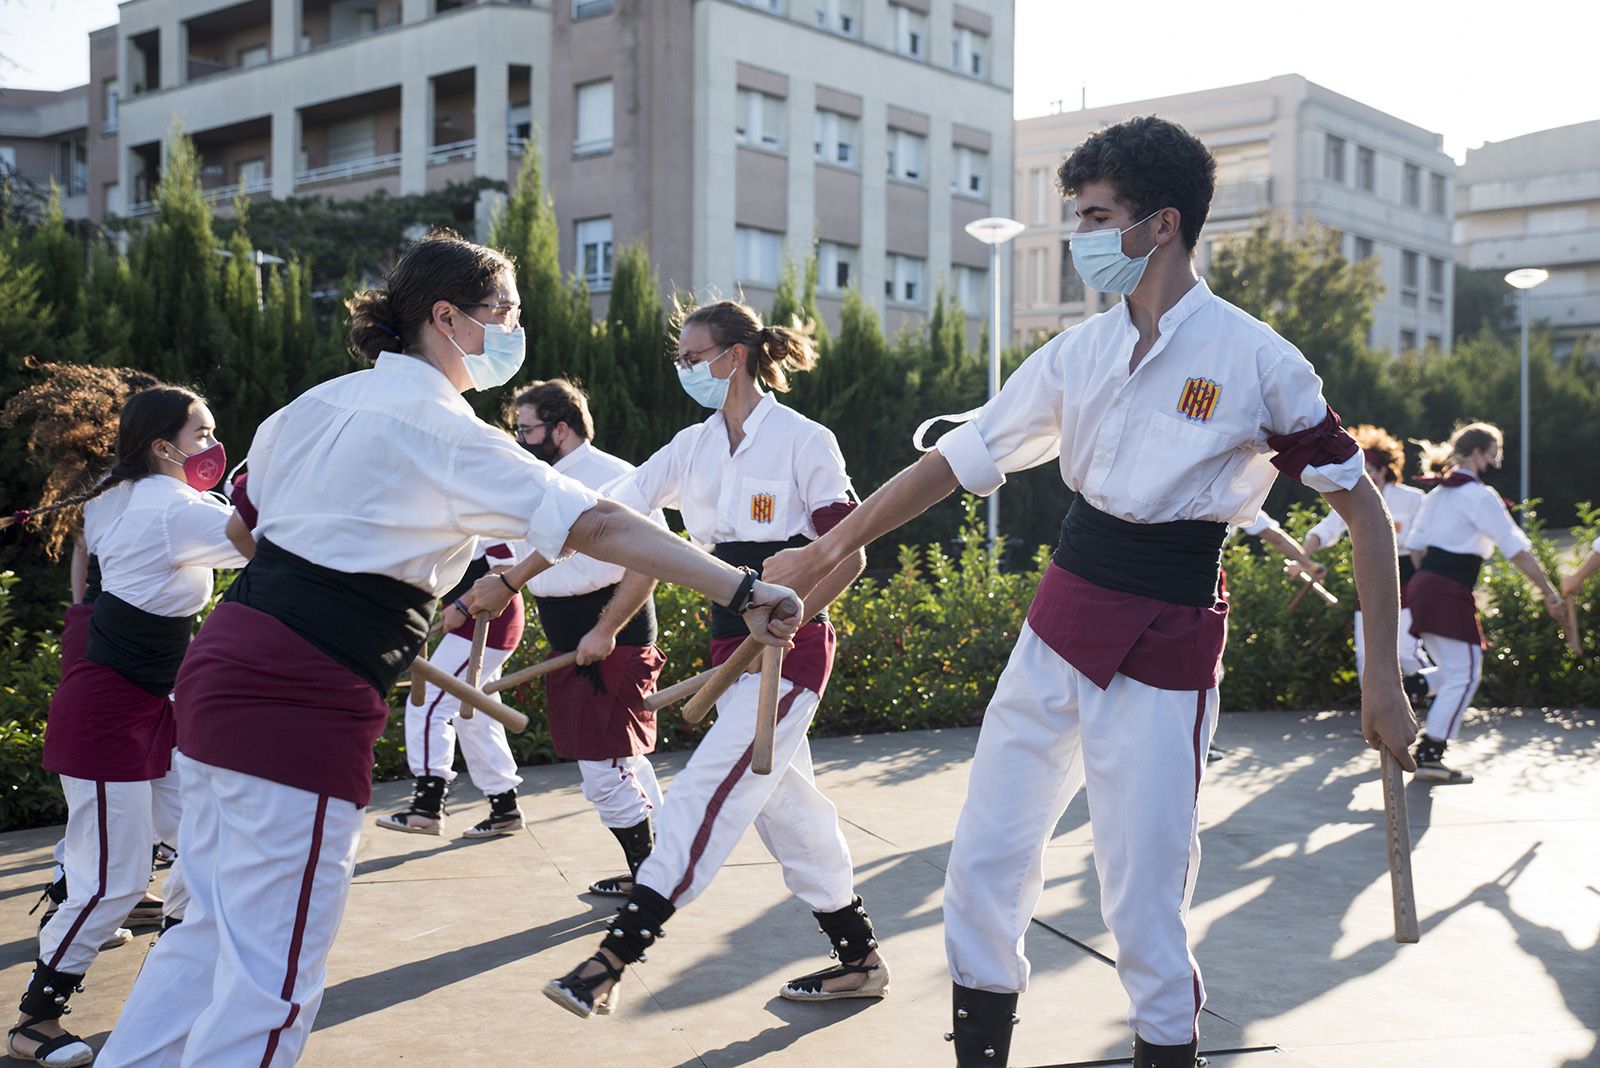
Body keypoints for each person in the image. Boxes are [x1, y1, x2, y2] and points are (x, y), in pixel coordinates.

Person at [763, 116, 1417, 1068]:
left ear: (1161, 224)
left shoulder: (1258, 360)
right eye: (1076, 214)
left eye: (1096, 215)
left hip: (1167, 635)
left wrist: (1384, 683)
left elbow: (1368, 517)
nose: (1079, 236)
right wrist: (825, 553)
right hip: (1059, 620)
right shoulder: (1077, 352)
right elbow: (957, 459)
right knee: (984, 861)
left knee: (1142, 893)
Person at [95, 231, 799, 1068]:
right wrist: (744, 588)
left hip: (224, 665)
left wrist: (344, 579)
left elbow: (246, 526)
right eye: (503, 311)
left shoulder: (313, 404)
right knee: (270, 978)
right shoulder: (443, 428)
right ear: (446, 317)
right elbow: (599, 524)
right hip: (297, 697)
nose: (511, 328)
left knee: (202, 935)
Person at [528, 299, 888, 1019]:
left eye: (693, 356)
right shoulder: (690, 448)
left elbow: (848, 555)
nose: (684, 368)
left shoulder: (802, 439)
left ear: (737, 355)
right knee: (789, 811)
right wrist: (507, 576)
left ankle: (614, 956)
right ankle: (860, 960)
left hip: (792, 651)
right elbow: (600, 511)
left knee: (709, 788)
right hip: (731, 648)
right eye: (682, 358)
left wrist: (793, 618)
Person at [8, 384, 251, 1068]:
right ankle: (35, 1021)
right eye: (202, 434)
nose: (212, 445)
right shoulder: (172, 509)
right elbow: (257, 541)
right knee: (113, 882)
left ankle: (176, 960)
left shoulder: (124, 492)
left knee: (202, 839)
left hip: (147, 706)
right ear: (162, 446)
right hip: (109, 716)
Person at [508, 379, 668, 893]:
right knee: (627, 762)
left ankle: (650, 882)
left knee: (604, 770)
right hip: (571, 639)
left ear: (561, 428)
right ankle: (665, 868)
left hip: (613, 635)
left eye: (526, 428)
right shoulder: (535, 482)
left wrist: (604, 630)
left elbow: (650, 565)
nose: (519, 437)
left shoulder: (616, 478)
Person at [1403, 422, 1565, 784]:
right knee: (1466, 671)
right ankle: (1430, 753)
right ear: (1477, 454)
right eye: (1494, 452)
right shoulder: (1479, 495)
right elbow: (1516, 549)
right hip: (1446, 588)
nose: (1497, 459)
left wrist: (1431, 580)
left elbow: (1414, 548)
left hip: (1424, 584)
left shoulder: (1436, 496)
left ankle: (1408, 689)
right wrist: (1549, 591)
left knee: (1452, 670)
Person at [376, 535, 530, 838]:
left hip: (487, 619)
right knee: (472, 714)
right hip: (472, 620)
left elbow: (507, 569)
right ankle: (504, 808)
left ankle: (426, 808)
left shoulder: (478, 509)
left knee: (429, 703)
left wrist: (462, 604)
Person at [1303, 425, 1431, 694]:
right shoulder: (1353, 500)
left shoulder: (1413, 499)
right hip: (1371, 581)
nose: (1367, 479)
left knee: (1406, 652)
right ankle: (1373, 715)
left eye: (1370, 473)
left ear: (1383, 471)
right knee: (1366, 655)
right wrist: (1305, 552)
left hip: (1407, 581)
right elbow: (1328, 528)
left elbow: (1426, 540)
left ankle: (1430, 696)